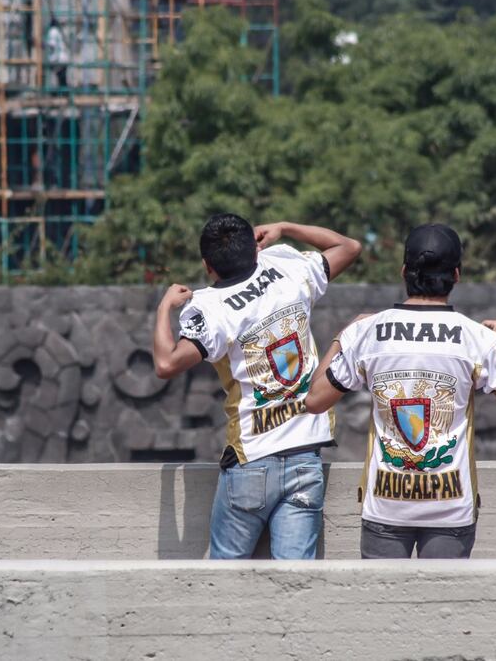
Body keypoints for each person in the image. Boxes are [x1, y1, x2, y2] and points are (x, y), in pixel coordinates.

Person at [305, 224, 496, 559]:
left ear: (404, 272)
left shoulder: (369, 333)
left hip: (385, 508)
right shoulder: (476, 338)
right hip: (450, 510)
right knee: (442, 608)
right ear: (456, 275)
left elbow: (314, 400)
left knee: (383, 608)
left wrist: (343, 336)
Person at [153, 214, 361, 559]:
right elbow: (348, 247)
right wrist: (286, 227)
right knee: (296, 586)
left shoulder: (209, 307)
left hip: (251, 458)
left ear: (208, 266)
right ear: (255, 249)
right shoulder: (287, 267)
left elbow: (165, 364)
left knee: (223, 585)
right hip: (305, 457)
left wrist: (164, 307)